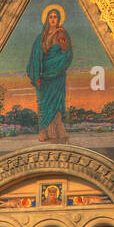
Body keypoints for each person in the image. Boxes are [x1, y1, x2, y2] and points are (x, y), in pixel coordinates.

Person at [26, 8, 73, 142]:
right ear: (47, 19)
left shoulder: (63, 34)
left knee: (57, 104)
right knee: (44, 104)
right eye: (51, 17)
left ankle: (57, 132)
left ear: (58, 19)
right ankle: (43, 132)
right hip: (44, 76)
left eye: (55, 17)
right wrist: (37, 76)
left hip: (57, 75)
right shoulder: (41, 37)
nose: (53, 19)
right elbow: (37, 56)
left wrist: (64, 49)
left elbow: (68, 54)